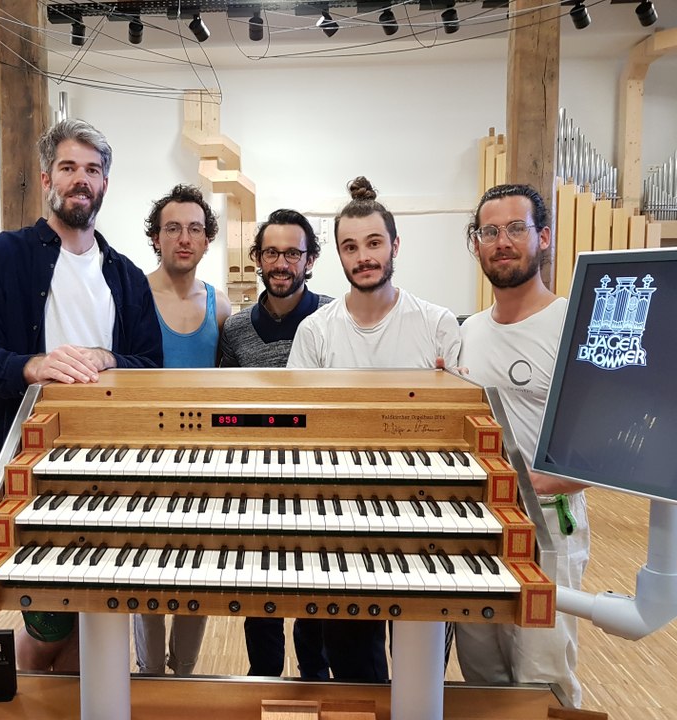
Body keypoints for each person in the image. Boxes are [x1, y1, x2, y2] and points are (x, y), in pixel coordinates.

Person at [0, 118, 162, 672]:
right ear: (46, 176)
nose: (82, 180)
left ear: (105, 184)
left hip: (114, 464)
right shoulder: (2, 256)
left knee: (102, 610)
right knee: (50, 617)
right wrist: (31, 364)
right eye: (70, 167)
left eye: (93, 170)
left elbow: (150, 365)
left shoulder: (125, 276)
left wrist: (108, 360)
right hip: (33, 466)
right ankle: (21, 698)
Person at [287, 177, 461, 681]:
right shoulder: (315, 331)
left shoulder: (437, 323)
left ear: (394, 245)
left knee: (420, 671)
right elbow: (300, 428)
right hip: (343, 521)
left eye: (373, 243)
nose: (363, 256)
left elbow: (457, 427)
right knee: (355, 668)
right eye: (350, 246)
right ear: (338, 255)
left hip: (426, 517)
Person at [454, 184, 589, 707]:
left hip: (546, 525)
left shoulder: (569, 326)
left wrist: (537, 484)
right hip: (479, 527)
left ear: (544, 237)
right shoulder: (466, 331)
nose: (502, 242)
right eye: (490, 232)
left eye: (515, 228)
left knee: (542, 679)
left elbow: (603, 447)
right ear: (477, 244)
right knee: (482, 678)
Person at [220, 208, 332, 679]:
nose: (281, 263)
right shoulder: (235, 331)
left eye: (292, 253)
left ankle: (314, 679)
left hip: (318, 478)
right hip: (255, 478)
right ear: (257, 259)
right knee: (258, 586)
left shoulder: (334, 318)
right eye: (272, 252)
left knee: (314, 591)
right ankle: (262, 679)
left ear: (309, 260)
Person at [134, 184, 231, 675]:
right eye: (173, 228)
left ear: (208, 240)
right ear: (156, 237)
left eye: (195, 228)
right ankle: (150, 676)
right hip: (145, 452)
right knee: (146, 570)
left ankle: (184, 674)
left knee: (200, 570)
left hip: (204, 455)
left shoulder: (219, 304)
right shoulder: (133, 296)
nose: (184, 238)